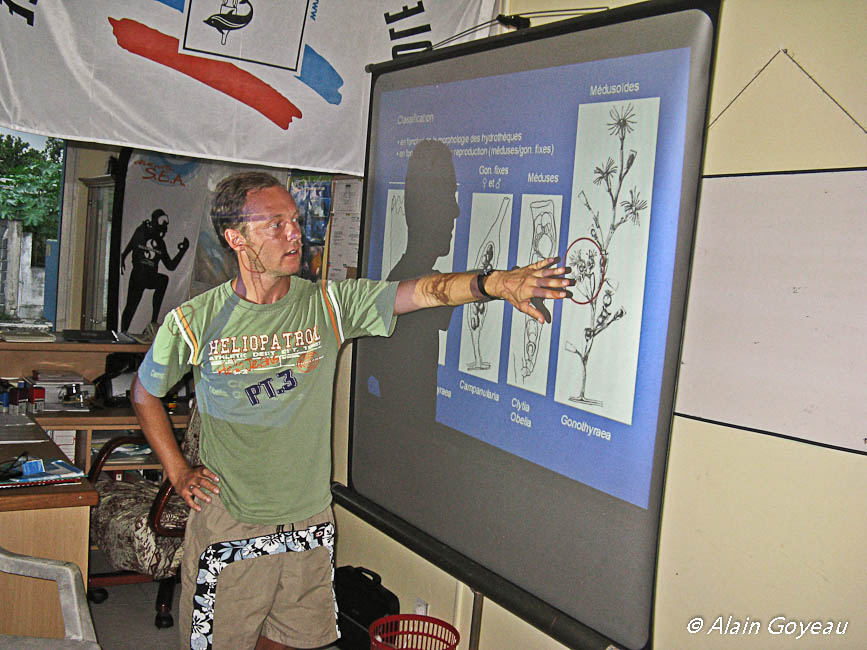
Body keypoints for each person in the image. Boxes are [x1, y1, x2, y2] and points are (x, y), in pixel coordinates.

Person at [130, 171, 572, 650]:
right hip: (231, 522)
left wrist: (496, 283)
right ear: (236, 238)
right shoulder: (195, 321)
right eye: (275, 225)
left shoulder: (328, 305)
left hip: (308, 521)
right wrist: (177, 471)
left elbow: (423, 291)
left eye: (294, 221)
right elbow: (144, 392)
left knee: (296, 641)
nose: (294, 233)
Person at [120, 208, 190, 333]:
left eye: (166, 222)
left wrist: (182, 251)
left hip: (151, 276)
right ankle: (122, 333)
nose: (164, 225)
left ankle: (153, 321)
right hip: (138, 275)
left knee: (163, 279)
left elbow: (170, 266)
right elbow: (131, 245)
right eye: (162, 221)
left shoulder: (160, 242)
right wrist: (123, 257)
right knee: (131, 305)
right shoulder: (142, 232)